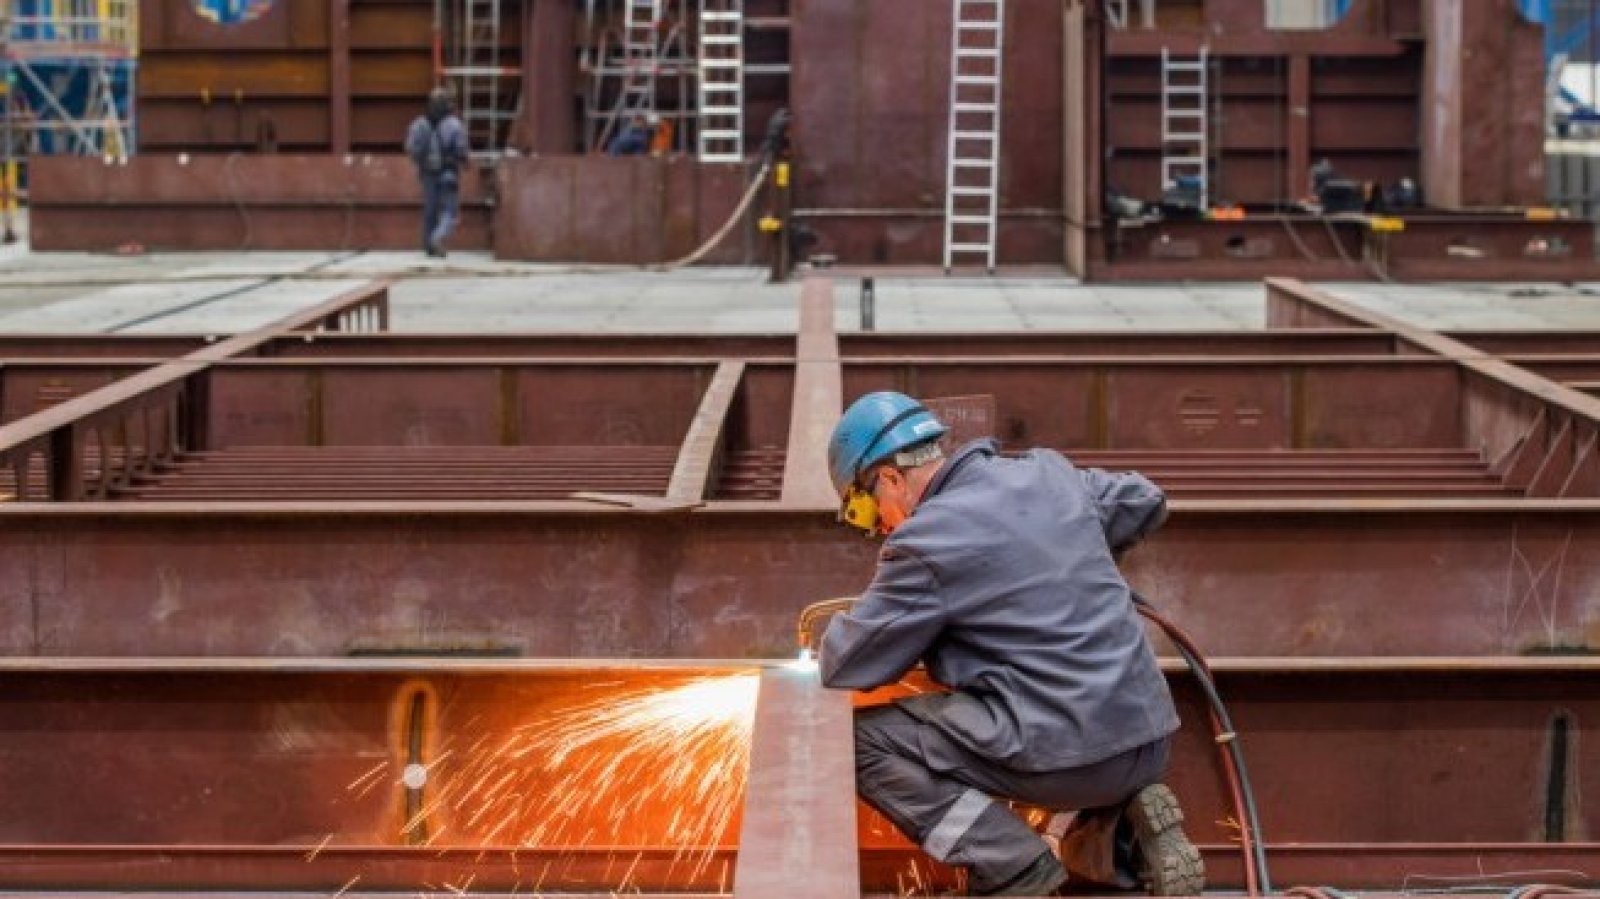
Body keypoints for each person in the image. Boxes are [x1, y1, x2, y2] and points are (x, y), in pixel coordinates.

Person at [818, 391, 1204, 897]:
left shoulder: (925, 541)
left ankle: (1011, 865)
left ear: (890, 478)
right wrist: (1059, 558)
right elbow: (1145, 499)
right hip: (1147, 741)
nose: (878, 530)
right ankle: (1121, 824)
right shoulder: (1049, 475)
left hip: (1068, 760)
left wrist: (833, 628)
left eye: (865, 512)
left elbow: (845, 664)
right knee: (1039, 717)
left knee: (855, 744)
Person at [404, 87, 469, 258]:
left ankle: (429, 246)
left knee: (430, 210)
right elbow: (461, 150)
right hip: (448, 172)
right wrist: (464, 161)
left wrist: (422, 160)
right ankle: (438, 237)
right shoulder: (454, 124)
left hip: (427, 173)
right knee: (450, 211)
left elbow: (410, 148)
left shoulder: (419, 124)